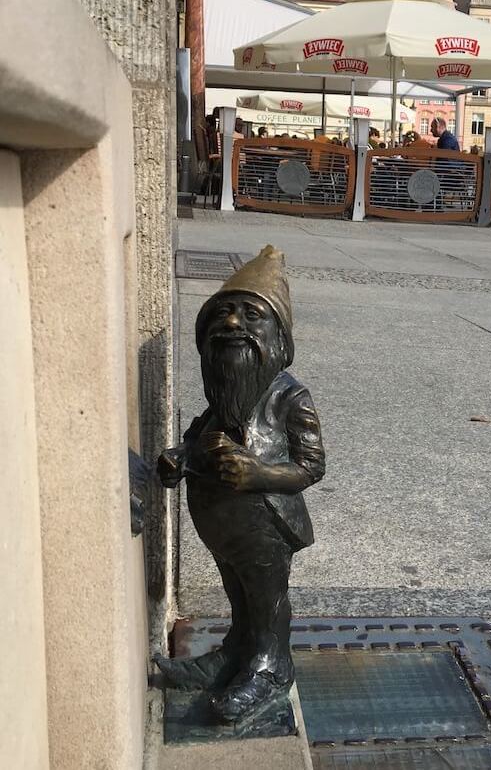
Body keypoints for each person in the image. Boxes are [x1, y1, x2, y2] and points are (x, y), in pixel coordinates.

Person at [155, 246, 326, 723]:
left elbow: (311, 467)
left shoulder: (291, 398)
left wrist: (259, 473)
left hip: (266, 524)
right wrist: (179, 459)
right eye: (223, 314)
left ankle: (271, 665)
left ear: (277, 337)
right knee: (237, 591)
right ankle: (237, 651)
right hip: (220, 524)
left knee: (266, 596)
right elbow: (197, 442)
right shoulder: (223, 398)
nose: (233, 324)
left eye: (251, 315)